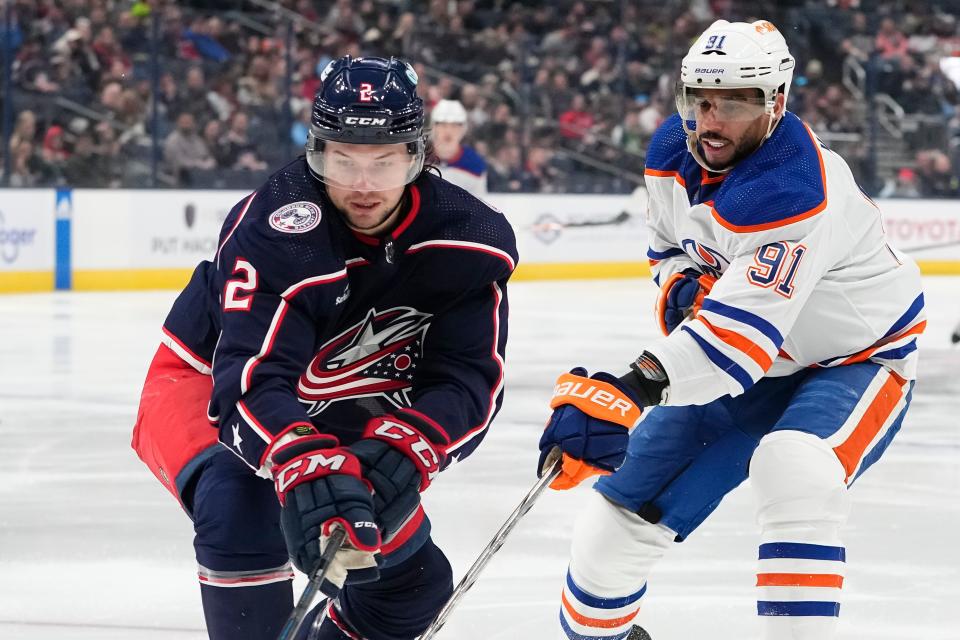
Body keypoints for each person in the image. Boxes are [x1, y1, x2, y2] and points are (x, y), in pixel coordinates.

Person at [537, 20, 925, 640]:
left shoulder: (795, 186)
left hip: (854, 360)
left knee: (796, 466)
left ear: (777, 103)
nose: (711, 121)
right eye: (699, 100)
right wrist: (685, 290)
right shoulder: (671, 153)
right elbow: (668, 252)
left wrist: (631, 389)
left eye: (737, 102)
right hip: (756, 361)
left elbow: (733, 344)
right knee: (609, 530)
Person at [132, 55, 517, 640]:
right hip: (206, 381)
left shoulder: (470, 238)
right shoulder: (276, 229)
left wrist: (410, 446)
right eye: (343, 160)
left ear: (417, 156)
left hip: (341, 398)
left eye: (383, 162)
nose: (363, 185)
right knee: (243, 504)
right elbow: (252, 383)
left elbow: (466, 376)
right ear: (317, 151)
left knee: (412, 585)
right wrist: (302, 462)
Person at [430, 99, 488, 197]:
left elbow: (480, 202)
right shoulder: (418, 158)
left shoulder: (475, 163)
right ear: (434, 126)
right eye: (443, 124)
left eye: (454, 125)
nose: (448, 131)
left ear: (463, 129)